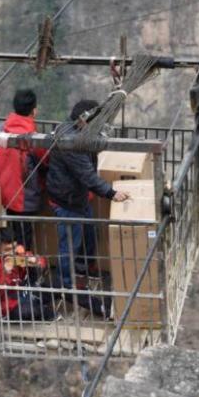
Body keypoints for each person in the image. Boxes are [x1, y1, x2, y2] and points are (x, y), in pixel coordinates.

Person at [46, 100, 129, 291]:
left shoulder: (77, 132)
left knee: (90, 234)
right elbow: (86, 174)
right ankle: (66, 285)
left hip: (77, 196)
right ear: (83, 121)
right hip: (67, 200)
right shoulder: (70, 142)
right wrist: (111, 193)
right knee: (69, 244)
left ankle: (83, 269)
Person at [0, 88, 45, 249]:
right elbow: (45, 160)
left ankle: (14, 269)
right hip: (25, 197)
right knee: (24, 240)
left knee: (15, 233)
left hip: (7, 193)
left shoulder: (3, 129)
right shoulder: (32, 138)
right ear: (34, 111)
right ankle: (24, 272)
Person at [0, 227, 55, 321]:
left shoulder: (17, 252)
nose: (11, 252)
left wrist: (35, 261)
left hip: (24, 294)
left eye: (13, 247)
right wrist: (5, 271)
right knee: (31, 310)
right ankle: (47, 312)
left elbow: (43, 263)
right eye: (7, 249)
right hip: (8, 307)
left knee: (57, 283)